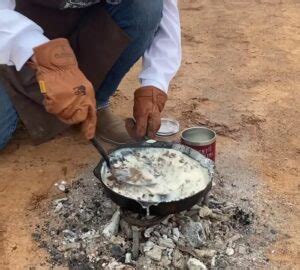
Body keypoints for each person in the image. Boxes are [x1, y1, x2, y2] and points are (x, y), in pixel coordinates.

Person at [0, 0, 181, 149]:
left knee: (145, 6)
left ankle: (94, 102)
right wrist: (45, 57)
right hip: (11, 35)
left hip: (82, 29)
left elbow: (163, 8)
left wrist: (155, 82)